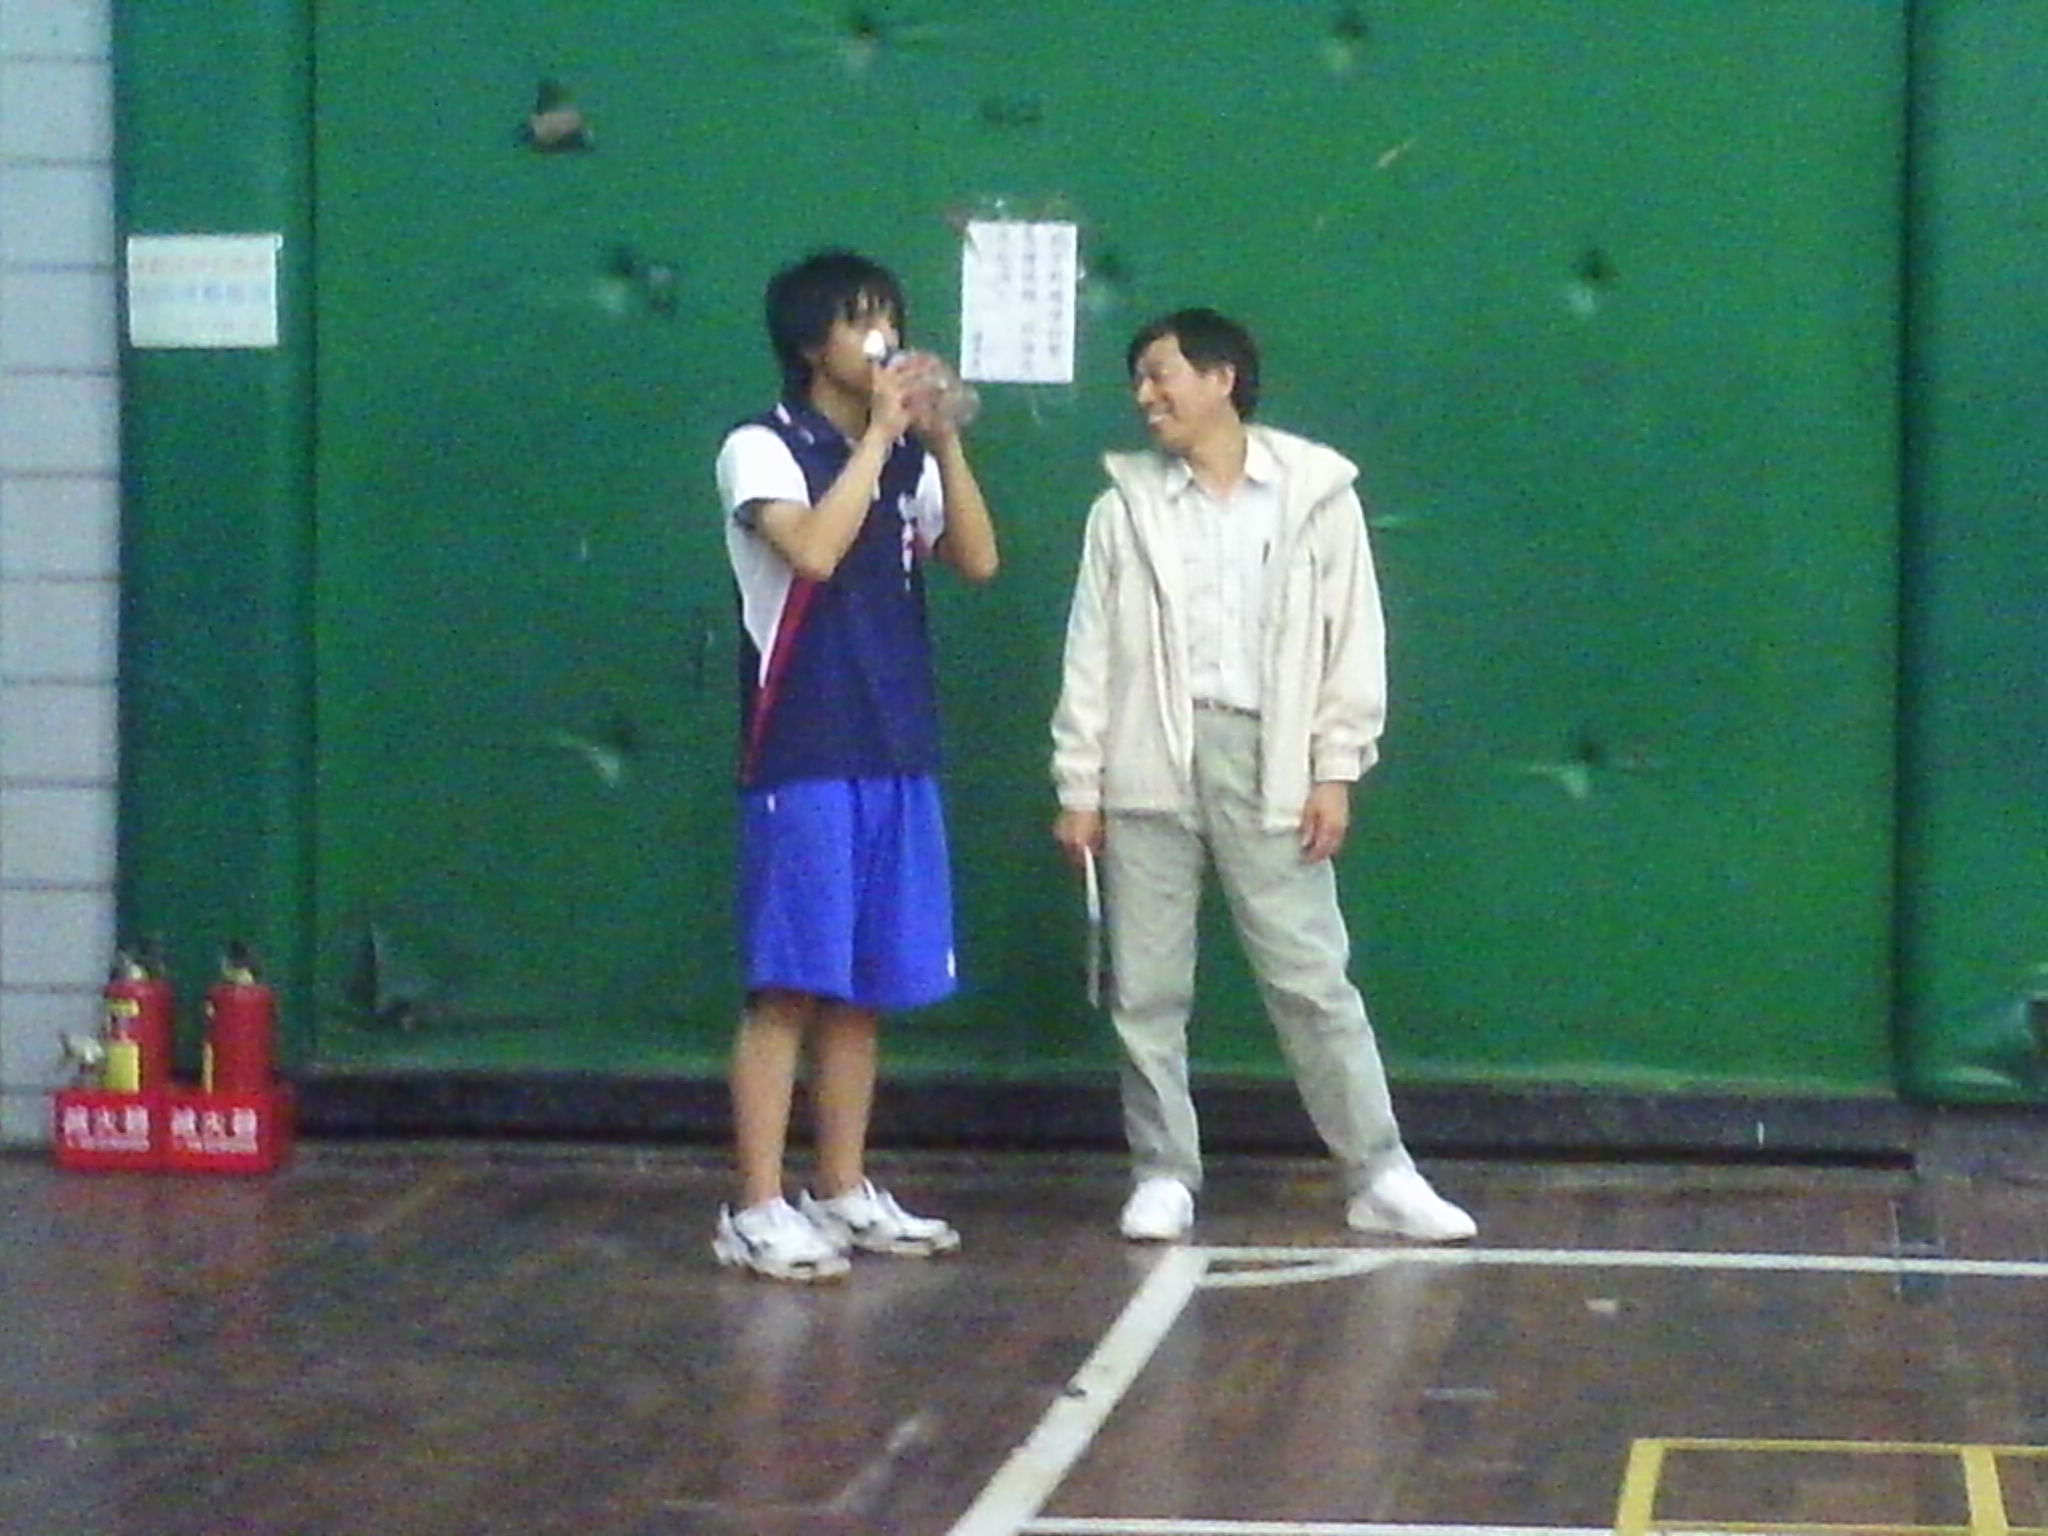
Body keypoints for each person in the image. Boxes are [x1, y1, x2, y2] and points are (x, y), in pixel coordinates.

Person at [1049, 307, 1473, 1245]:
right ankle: (1163, 1172)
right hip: (1146, 759)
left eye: (1161, 374)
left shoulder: (1316, 496)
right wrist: (1079, 783)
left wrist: (1335, 768)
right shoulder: (1123, 508)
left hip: (1270, 757)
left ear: (1222, 379)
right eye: (1139, 379)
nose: (1145, 395)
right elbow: (1091, 651)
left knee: (1312, 977)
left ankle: (1380, 1172)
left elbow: (1352, 638)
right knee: (1146, 989)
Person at [712, 250, 999, 1281]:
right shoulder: (761, 447)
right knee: (788, 985)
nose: (883, 338)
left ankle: (839, 1188)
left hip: (896, 743)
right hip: (802, 748)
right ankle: (754, 1208)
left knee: (861, 989)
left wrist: (942, 439)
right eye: (858, 321)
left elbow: (978, 560)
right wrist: (878, 436)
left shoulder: (909, 460)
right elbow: (814, 552)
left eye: (889, 319)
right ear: (809, 343)